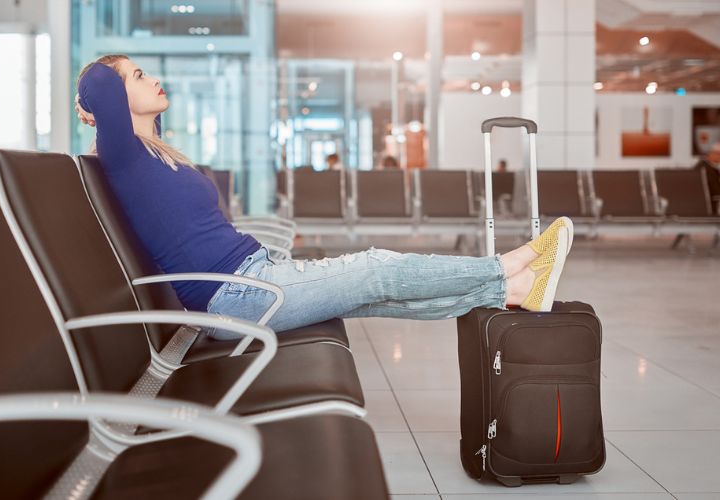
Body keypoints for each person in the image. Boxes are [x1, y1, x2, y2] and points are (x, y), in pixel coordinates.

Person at [75, 55, 574, 340]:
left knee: (380, 293)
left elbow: (138, 115)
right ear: (113, 101)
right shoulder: (122, 156)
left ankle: (509, 293)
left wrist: (126, 98)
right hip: (236, 297)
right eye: (138, 75)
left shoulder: (152, 152)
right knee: (378, 266)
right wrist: (93, 99)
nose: (155, 77)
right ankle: (509, 264)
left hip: (251, 279)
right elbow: (98, 81)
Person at [694, 141, 720, 214]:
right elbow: (717, 193)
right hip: (709, 210)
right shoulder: (706, 169)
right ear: (712, 154)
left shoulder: (701, 166)